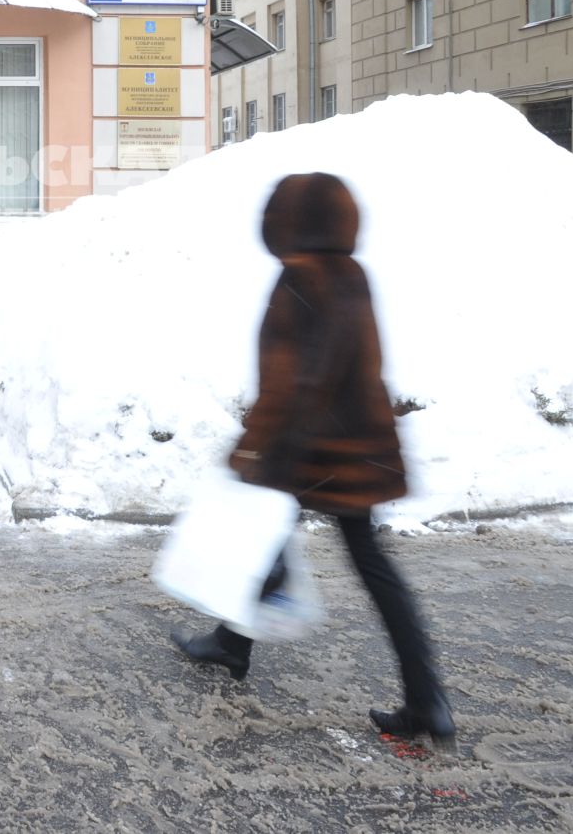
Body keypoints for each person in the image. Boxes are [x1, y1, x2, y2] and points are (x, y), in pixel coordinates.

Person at [170, 172, 454, 745]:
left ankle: (233, 643)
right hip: (356, 447)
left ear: (285, 224)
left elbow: (291, 383)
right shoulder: (352, 276)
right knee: (362, 566)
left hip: (307, 447)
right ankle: (426, 700)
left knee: (272, 545)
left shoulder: (297, 281)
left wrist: (254, 446)